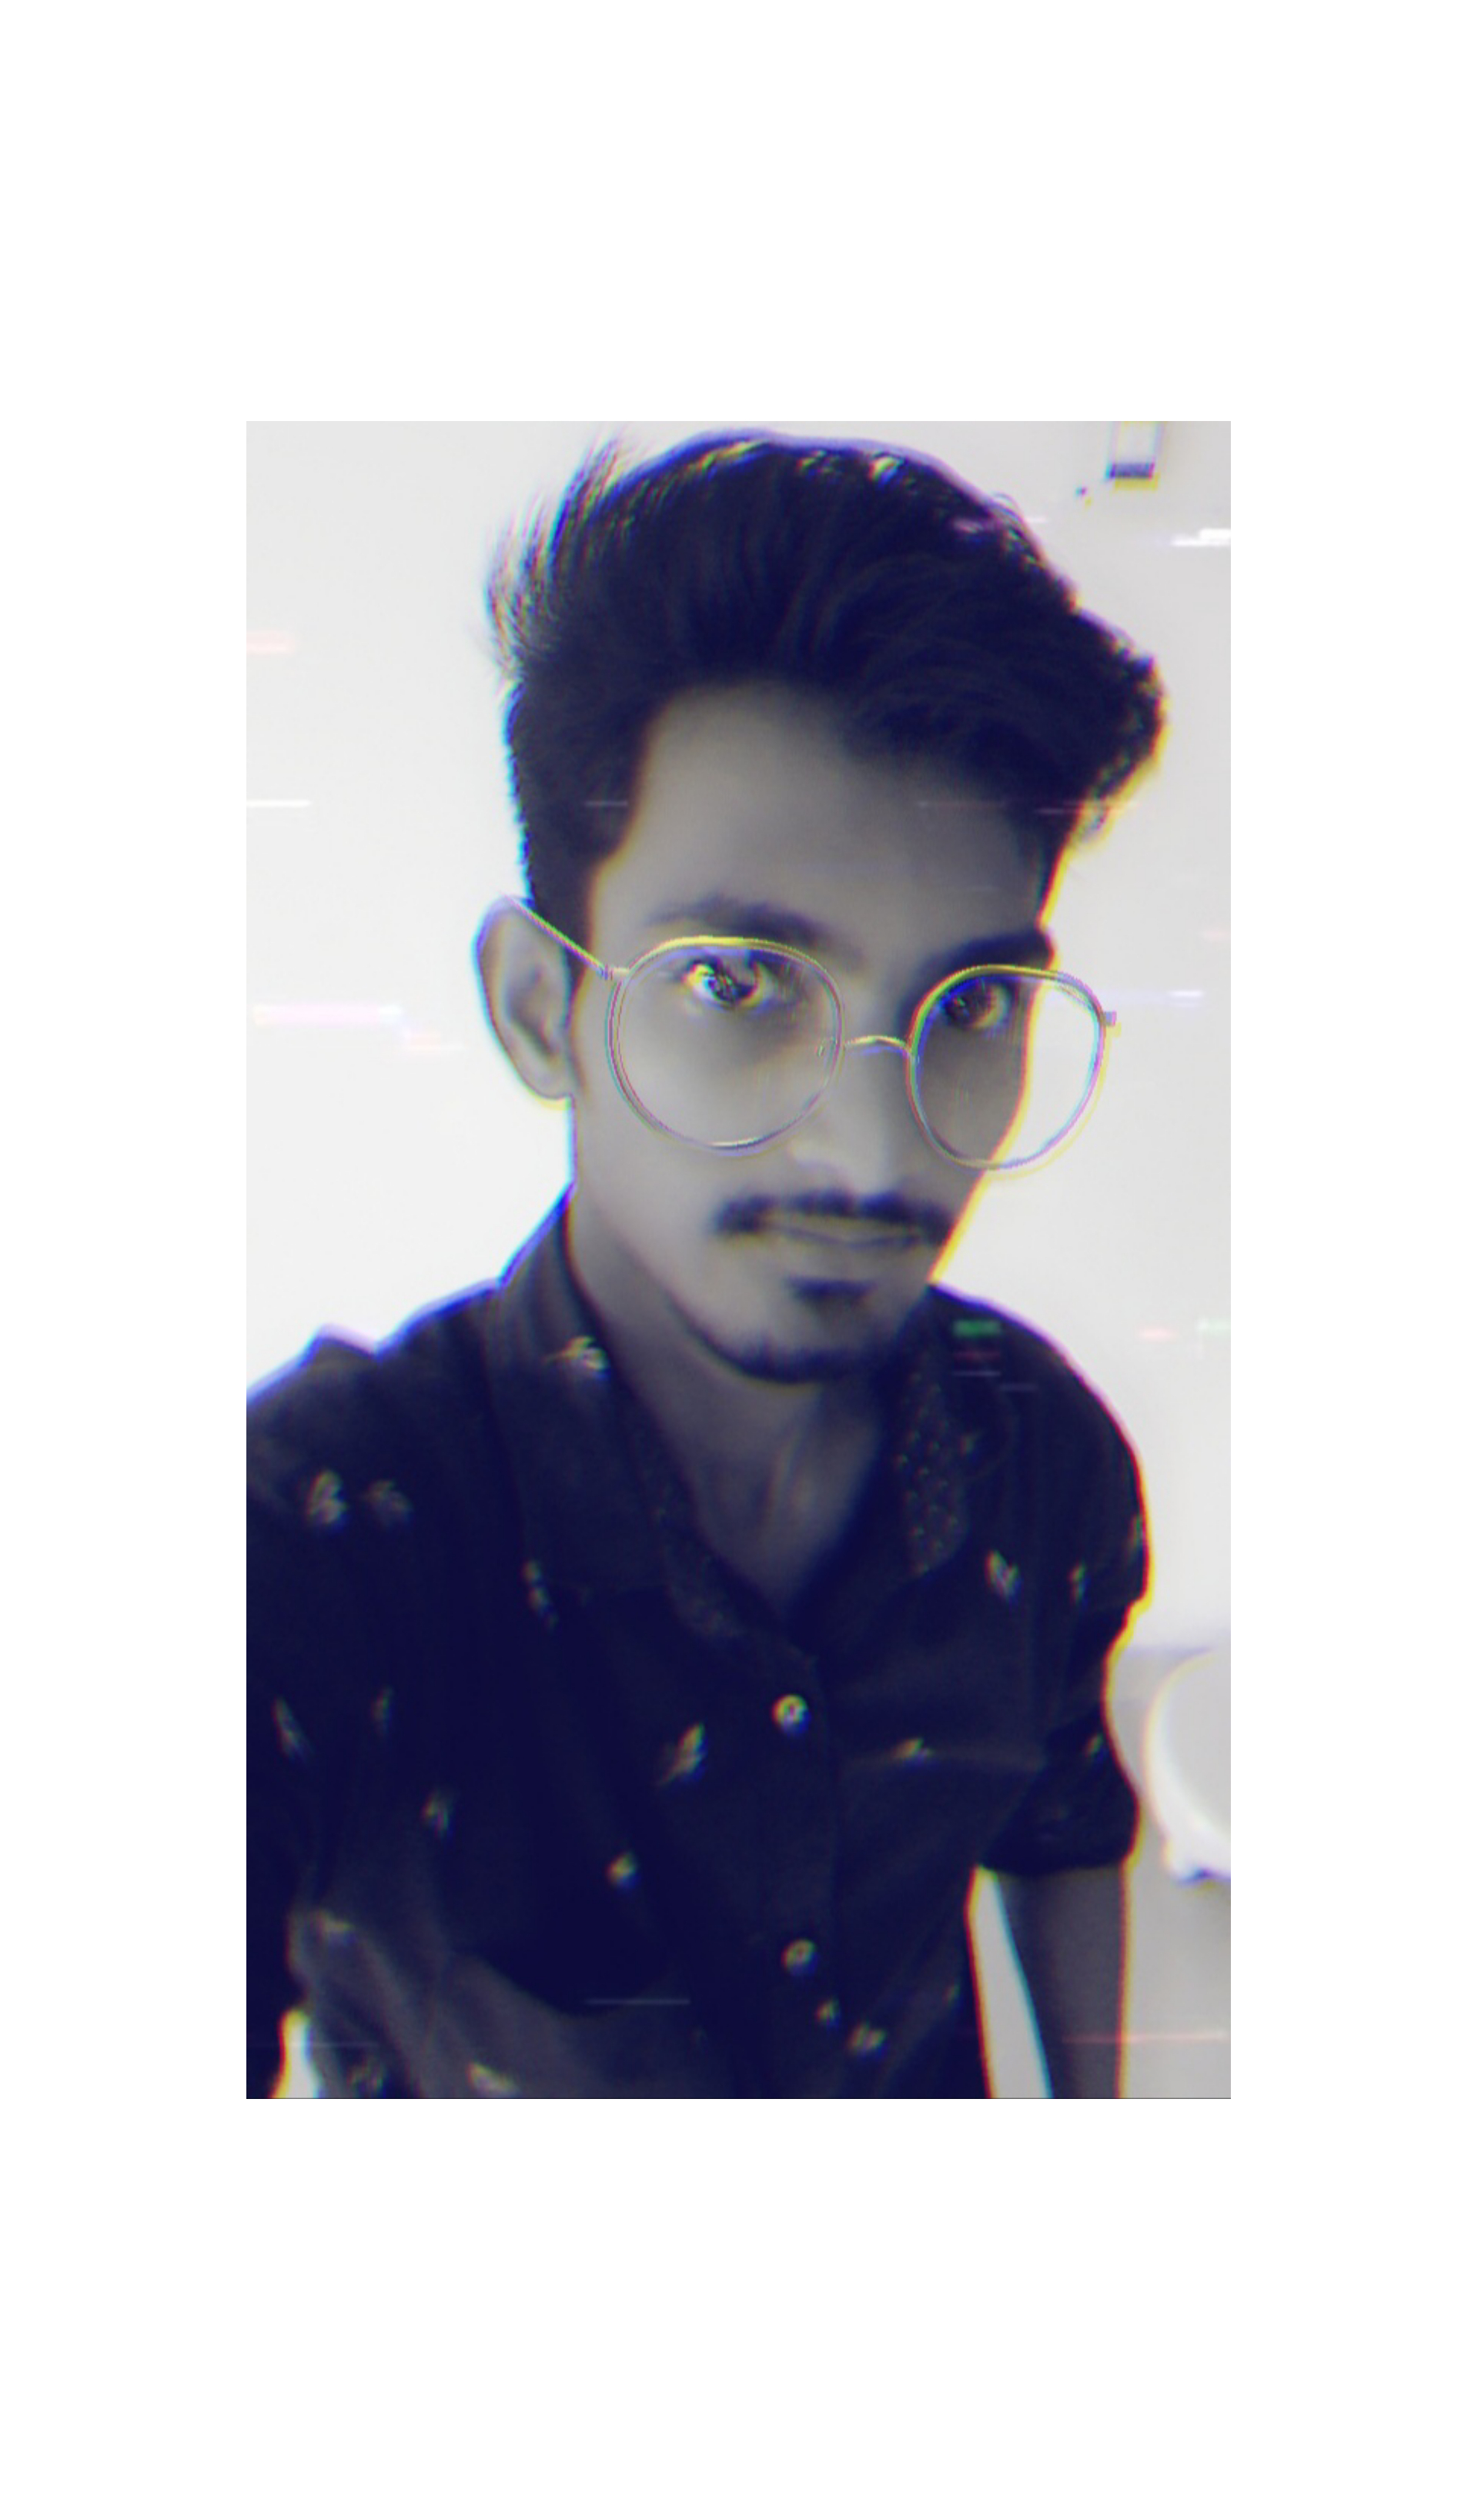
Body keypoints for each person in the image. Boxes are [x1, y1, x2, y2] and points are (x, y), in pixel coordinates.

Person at [247, 432, 1166, 2099]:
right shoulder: (336, 1537)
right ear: (543, 1010)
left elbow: (1064, 1822)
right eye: (740, 984)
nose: (876, 1153)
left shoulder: (1044, 1459)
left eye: (970, 1007)